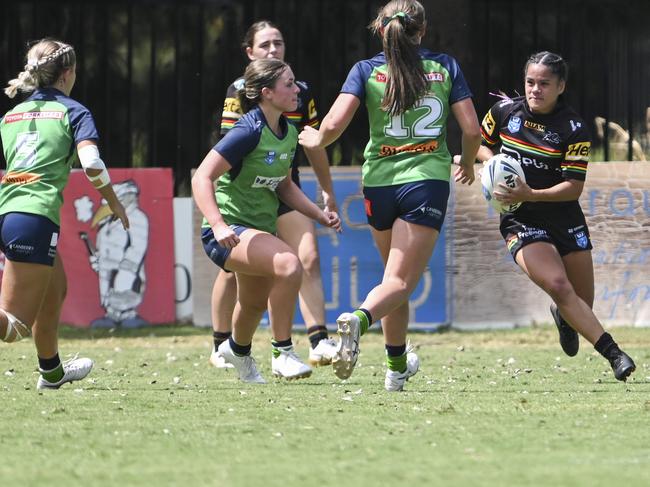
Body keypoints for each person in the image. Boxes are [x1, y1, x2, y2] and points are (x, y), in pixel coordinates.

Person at [299, 0, 481, 391]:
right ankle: (358, 320)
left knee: (391, 280)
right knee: (399, 284)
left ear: (382, 31)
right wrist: (466, 163)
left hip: (379, 186)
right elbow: (471, 131)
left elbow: (332, 123)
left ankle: (396, 368)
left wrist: (318, 137)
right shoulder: (444, 66)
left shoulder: (366, 70)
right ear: (423, 30)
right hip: (425, 182)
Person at [477, 51, 635, 381]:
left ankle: (563, 316)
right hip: (520, 218)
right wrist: (489, 164)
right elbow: (479, 143)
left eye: (544, 84)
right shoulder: (505, 112)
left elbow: (573, 187)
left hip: (564, 217)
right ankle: (614, 354)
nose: (536, 89)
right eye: (530, 82)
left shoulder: (573, 128)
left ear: (561, 86)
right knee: (560, 287)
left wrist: (531, 192)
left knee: (580, 303)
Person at [193, 58, 341, 383]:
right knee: (289, 264)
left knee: (252, 304)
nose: (297, 89)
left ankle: (237, 351)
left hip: (258, 229)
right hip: (228, 231)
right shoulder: (248, 130)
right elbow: (202, 177)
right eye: (288, 83)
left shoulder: (288, 132)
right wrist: (217, 224)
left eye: (295, 81)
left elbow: (285, 185)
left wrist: (318, 214)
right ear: (266, 93)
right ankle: (282, 352)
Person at [0, 38, 129, 389]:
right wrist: (113, 202)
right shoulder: (74, 110)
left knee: (55, 291)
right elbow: (92, 164)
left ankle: (51, 372)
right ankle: (50, 371)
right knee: (14, 328)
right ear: (68, 73)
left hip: (11, 211)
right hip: (35, 215)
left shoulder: (12, 114)